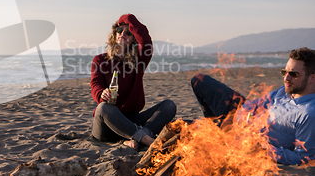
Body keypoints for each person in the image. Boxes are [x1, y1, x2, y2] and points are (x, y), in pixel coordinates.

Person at [191, 47, 315, 165]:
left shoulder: (308, 114)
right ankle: (215, 125)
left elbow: (303, 157)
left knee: (186, 130)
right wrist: (240, 116)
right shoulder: (285, 91)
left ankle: (215, 130)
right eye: (285, 72)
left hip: (246, 141)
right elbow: (254, 103)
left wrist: (264, 149)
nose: (286, 78)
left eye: (293, 74)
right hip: (242, 119)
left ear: (312, 78)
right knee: (199, 80)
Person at [90, 14, 177, 150]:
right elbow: (95, 85)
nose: (123, 33)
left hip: (131, 121)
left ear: (133, 39)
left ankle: (135, 137)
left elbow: (146, 40)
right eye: (119, 30)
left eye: (129, 32)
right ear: (114, 34)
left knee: (169, 106)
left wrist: (128, 18)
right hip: (106, 125)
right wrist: (102, 94)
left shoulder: (139, 61)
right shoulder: (99, 60)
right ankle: (146, 139)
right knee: (103, 107)